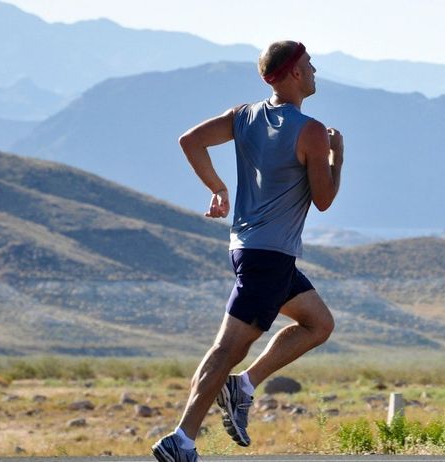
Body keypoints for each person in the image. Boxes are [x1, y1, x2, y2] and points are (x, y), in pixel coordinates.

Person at [152, 40, 343, 461]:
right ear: (294, 72)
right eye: (309, 65)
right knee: (227, 349)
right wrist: (337, 158)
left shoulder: (243, 116)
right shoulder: (311, 131)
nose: (314, 71)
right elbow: (324, 199)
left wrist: (218, 188)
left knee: (318, 323)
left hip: (253, 251)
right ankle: (181, 439)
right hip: (269, 258)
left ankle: (243, 385)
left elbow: (190, 141)